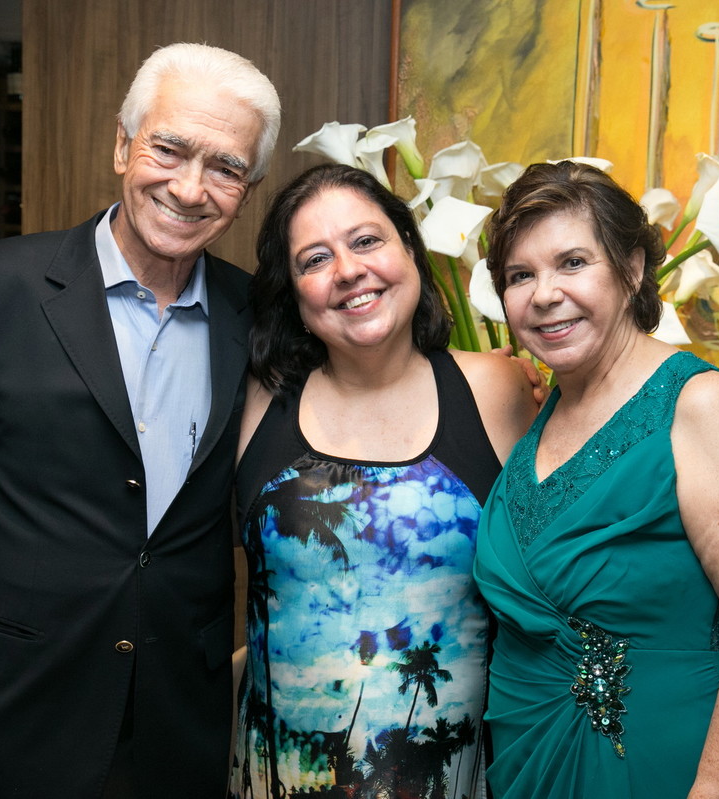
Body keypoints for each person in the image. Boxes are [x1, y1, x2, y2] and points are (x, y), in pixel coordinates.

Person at [0, 43, 280, 799]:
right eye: (169, 149)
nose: (189, 188)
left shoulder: (256, 315)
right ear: (123, 145)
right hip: (12, 709)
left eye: (225, 167)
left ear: (247, 190)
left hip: (178, 723)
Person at [473, 161, 719, 797]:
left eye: (573, 263)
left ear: (630, 270)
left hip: (667, 767)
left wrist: (715, 791)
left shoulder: (699, 405)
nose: (544, 294)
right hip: (527, 759)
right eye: (520, 275)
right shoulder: (541, 410)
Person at [227, 163, 538, 798]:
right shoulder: (255, 396)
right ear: (293, 294)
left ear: (410, 251)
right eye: (315, 259)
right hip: (274, 780)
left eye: (367, 241)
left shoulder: (497, 389)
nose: (347, 270)